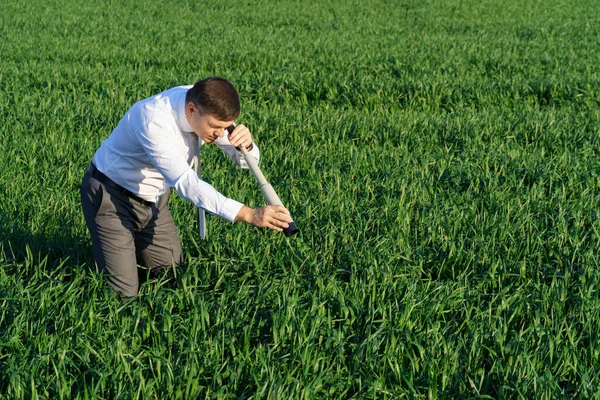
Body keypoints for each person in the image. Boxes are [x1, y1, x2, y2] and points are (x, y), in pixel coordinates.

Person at [80, 77, 292, 297]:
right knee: (123, 295)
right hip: (111, 197)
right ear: (191, 110)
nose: (221, 134)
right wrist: (249, 214)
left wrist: (246, 145)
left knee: (172, 277)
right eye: (216, 127)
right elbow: (187, 184)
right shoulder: (153, 120)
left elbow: (245, 162)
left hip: (154, 201)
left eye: (225, 127)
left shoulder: (205, 109)